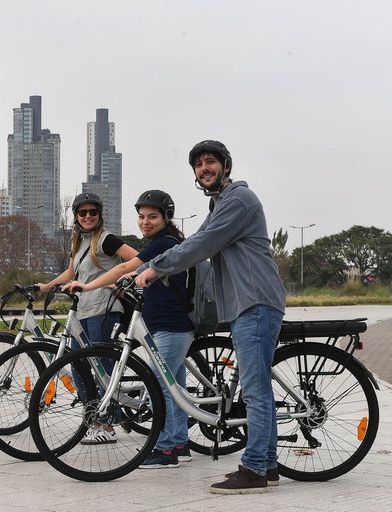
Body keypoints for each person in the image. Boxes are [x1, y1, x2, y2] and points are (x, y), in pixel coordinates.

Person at [135, 140, 286, 494]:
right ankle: (268, 464)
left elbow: (203, 244)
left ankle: (253, 471)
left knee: (255, 390)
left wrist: (155, 268)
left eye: (210, 162)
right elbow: (199, 238)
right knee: (257, 387)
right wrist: (144, 269)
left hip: (255, 301)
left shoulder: (238, 199)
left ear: (226, 165)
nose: (204, 168)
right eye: (199, 164)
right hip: (245, 303)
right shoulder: (219, 203)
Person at [63, 190, 195, 468]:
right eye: (141, 217)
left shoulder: (163, 243)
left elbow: (129, 265)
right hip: (167, 324)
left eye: (152, 217)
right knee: (175, 387)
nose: (145, 222)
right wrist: (122, 284)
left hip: (171, 326)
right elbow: (139, 273)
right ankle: (180, 443)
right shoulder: (162, 242)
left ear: (167, 217)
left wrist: (89, 285)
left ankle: (166, 450)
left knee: (162, 386)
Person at [37, 192, 138, 444]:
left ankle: (107, 424)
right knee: (78, 368)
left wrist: (123, 281)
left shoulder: (106, 240)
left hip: (104, 310)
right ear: (76, 216)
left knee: (104, 369)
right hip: (82, 310)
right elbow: (72, 272)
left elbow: (138, 260)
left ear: (99, 214)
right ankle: (93, 417)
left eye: (93, 212)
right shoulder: (80, 241)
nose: (88, 216)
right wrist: (47, 286)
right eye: (83, 212)